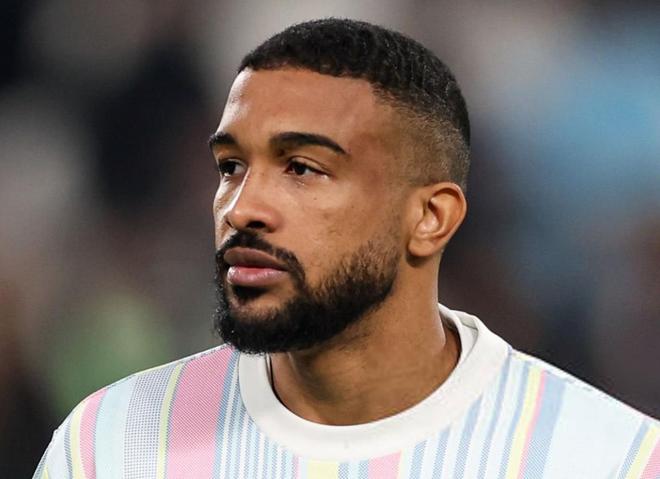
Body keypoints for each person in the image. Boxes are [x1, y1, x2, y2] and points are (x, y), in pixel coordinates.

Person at [34, 18, 658, 479]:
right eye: (230, 167)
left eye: (302, 168)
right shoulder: (109, 445)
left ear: (431, 218)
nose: (241, 208)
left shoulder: (607, 459)